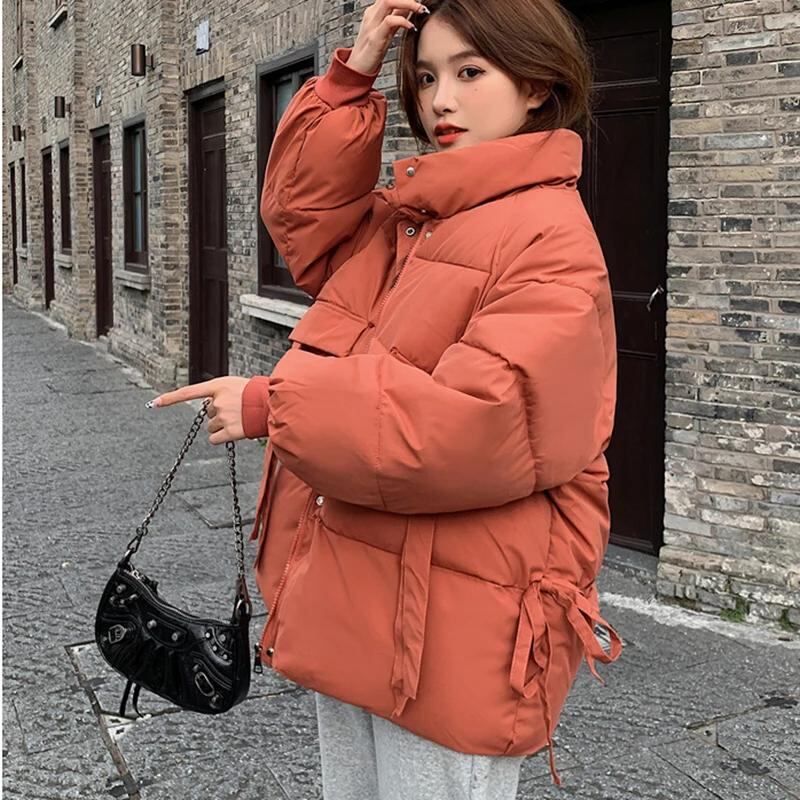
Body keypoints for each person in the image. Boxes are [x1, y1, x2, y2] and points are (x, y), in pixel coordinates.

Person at [153, 0, 624, 796]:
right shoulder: (416, 220)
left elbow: (473, 424)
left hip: (458, 627)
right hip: (360, 597)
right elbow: (304, 220)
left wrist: (276, 406)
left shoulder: (549, 240)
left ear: (537, 85)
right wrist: (349, 80)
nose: (441, 100)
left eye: (470, 72)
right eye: (428, 77)